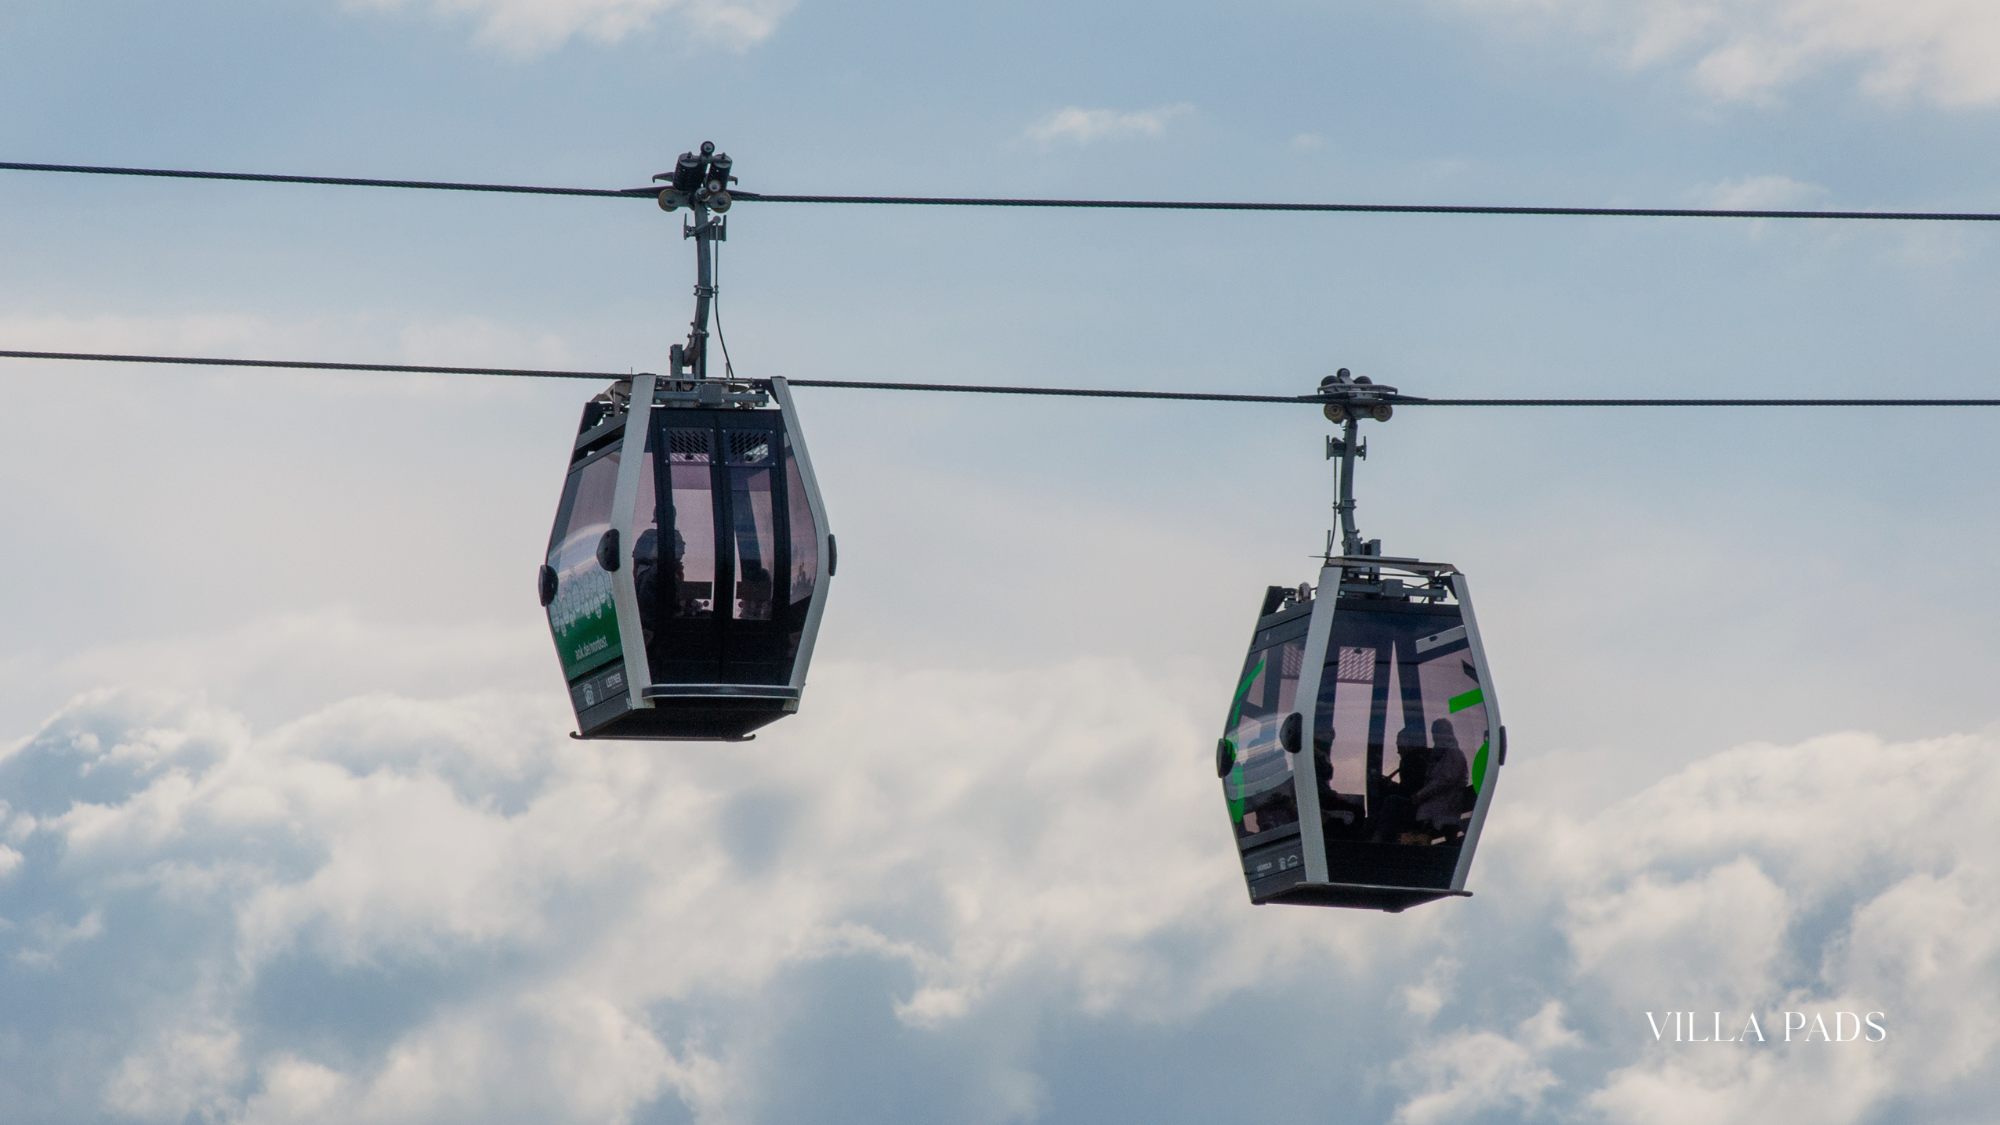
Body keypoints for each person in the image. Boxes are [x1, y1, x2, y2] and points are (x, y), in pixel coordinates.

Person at [1412, 718, 1470, 838]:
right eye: (1434, 733)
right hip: (1435, 805)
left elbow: (1444, 781)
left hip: (1445, 806)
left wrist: (1420, 795)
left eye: (1439, 732)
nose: (1436, 737)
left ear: (1448, 733)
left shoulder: (1454, 754)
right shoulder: (1438, 756)